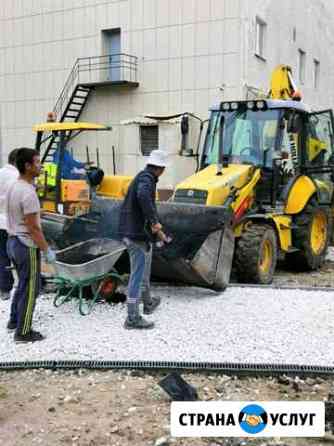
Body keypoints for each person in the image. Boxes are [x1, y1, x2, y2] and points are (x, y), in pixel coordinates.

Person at [5, 148, 56, 343]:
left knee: (22, 284)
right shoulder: (28, 192)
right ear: (27, 166)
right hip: (26, 244)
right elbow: (34, 228)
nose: (40, 165)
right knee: (31, 288)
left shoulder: (14, 186)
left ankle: (14, 321)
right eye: (37, 162)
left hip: (12, 240)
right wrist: (46, 250)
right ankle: (23, 332)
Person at [119, 149, 169, 329]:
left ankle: (147, 302)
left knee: (142, 270)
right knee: (137, 276)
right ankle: (132, 318)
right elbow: (142, 196)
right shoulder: (146, 180)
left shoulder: (143, 176)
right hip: (135, 235)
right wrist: (155, 222)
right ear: (161, 168)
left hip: (135, 232)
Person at [0, 149, 19, 300]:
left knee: (2, 255)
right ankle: (36, 284)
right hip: (14, 223)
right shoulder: (18, 177)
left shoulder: (1, 173)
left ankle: (5, 289)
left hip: (0, 222)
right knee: (22, 255)